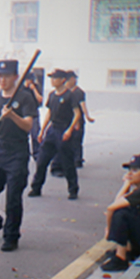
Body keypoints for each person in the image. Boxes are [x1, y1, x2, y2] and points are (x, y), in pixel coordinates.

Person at [0, 60, 38, 251]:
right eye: (0, 76)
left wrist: (12, 115)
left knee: (13, 197)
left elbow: (28, 126)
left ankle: (11, 236)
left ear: (15, 77)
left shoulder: (25, 97)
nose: (2, 79)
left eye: (6, 75)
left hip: (17, 151)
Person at [28, 69, 81, 200]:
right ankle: (36, 188)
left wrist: (69, 130)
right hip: (52, 130)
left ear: (63, 80)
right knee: (42, 160)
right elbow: (49, 113)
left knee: (67, 162)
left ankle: (73, 190)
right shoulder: (52, 95)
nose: (52, 80)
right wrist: (42, 131)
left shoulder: (70, 95)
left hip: (64, 130)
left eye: (55, 78)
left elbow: (77, 114)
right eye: (51, 78)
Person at [51, 71, 94, 174]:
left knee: (76, 141)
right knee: (68, 142)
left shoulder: (78, 92)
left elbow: (82, 105)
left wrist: (87, 117)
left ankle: (77, 160)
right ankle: (69, 161)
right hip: (68, 121)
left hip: (77, 121)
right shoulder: (64, 93)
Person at [24, 73, 44, 162]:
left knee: (35, 134)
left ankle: (37, 154)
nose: (30, 82)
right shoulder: (21, 89)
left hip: (34, 113)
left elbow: (40, 99)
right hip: (23, 114)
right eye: (29, 80)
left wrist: (34, 89)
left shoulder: (36, 88)